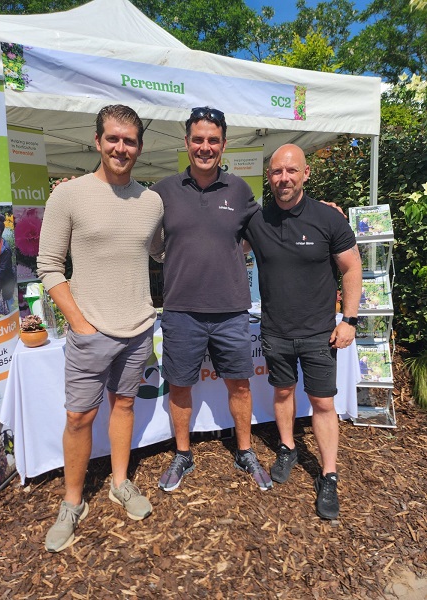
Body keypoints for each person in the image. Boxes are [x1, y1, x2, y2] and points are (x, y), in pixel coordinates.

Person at [37, 105, 164, 553]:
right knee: (79, 416)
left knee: (124, 405)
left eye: (129, 140)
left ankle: (119, 482)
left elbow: (167, 252)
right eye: (113, 138)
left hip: (137, 329)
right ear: (97, 141)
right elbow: (48, 266)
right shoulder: (68, 196)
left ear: (139, 147)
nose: (121, 147)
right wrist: (79, 322)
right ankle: (72, 502)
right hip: (90, 329)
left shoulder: (152, 202)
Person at [151, 107, 272, 493]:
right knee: (181, 385)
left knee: (240, 384)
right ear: (187, 143)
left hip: (232, 311)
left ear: (224, 144)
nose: (205, 147)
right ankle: (183, 453)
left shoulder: (239, 190)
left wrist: (320, 214)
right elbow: (144, 239)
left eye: (213, 140)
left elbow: (268, 229)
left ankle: (245, 450)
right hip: (181, 310)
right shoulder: (163, 191)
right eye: (198, 139)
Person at [244, 144, 362, 519]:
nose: (284, 178)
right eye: (277, 172)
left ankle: (328, 474)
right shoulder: (257, 221)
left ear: (306, 174)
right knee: (282, 392)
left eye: (292, 171)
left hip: (319, 332)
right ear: (269, 177)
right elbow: (217, 239)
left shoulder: (329, 219)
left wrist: (350, 319)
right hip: (276, 330)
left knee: (324, 403)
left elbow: (352, 269)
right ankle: (287, 447)